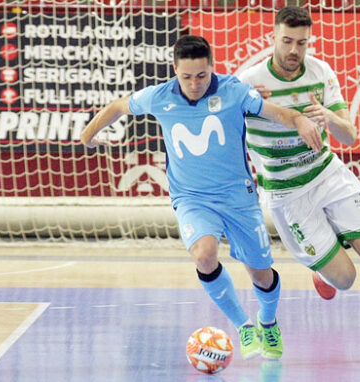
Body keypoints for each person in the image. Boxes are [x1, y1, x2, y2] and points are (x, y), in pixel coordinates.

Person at [80, 35, 323, 360]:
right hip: (192, 198)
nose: (194, 84)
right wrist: (87, 135)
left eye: (201, 75)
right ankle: (243, 326)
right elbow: (116, 107)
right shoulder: (159, 97)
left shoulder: (234, 91)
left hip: (238, 197)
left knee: (260, 274)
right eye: (186, 77)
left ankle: (268, 321)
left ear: (211, 67)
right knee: (204, 254)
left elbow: (277, 112)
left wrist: (299, 119)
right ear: (175, 71)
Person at [238, 6, 360, 362]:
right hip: (287, 193)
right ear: (273, 38)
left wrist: (328, 116)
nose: (294, 50)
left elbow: (350, 136)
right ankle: (325, 271)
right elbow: (228, 131)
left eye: (302, 42)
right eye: (287, 41)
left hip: (328, 174)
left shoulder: (320, 72)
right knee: (344, 279)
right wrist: (251, 106)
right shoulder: (249, 82)